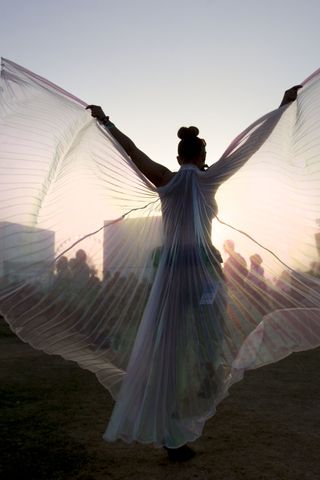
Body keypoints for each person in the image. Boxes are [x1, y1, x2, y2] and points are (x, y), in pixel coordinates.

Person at [85, 85, 301, 461]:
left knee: (168, 349)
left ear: (178, 155)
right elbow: (250, 148)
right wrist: (280, 109)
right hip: (201, 272)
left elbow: (131, 151)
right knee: (210, 328)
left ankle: (173, 428)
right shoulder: (207, 178)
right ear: (202, 155)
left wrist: (106, 122)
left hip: (171, 274)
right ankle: (207, 368)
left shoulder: (166, 181)